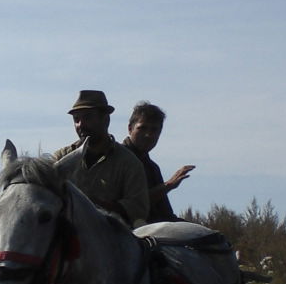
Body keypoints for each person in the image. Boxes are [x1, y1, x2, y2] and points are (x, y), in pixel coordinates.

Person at [52, 90, 150, 226]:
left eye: (87, 117)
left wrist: (93, 205)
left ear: (105, 120)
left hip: (112, 240)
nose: (80, 124)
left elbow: (138, 210)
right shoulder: (60, 158)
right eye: (76, 120)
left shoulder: (128, 163)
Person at [123, 101, 193, 223]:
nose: (148, 135)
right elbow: (130, 206)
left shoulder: (152, 167)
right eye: (142, 128)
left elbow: (166, 214)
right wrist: (168, 185)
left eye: (154, 130)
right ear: (130, 128)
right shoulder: (118, 159)